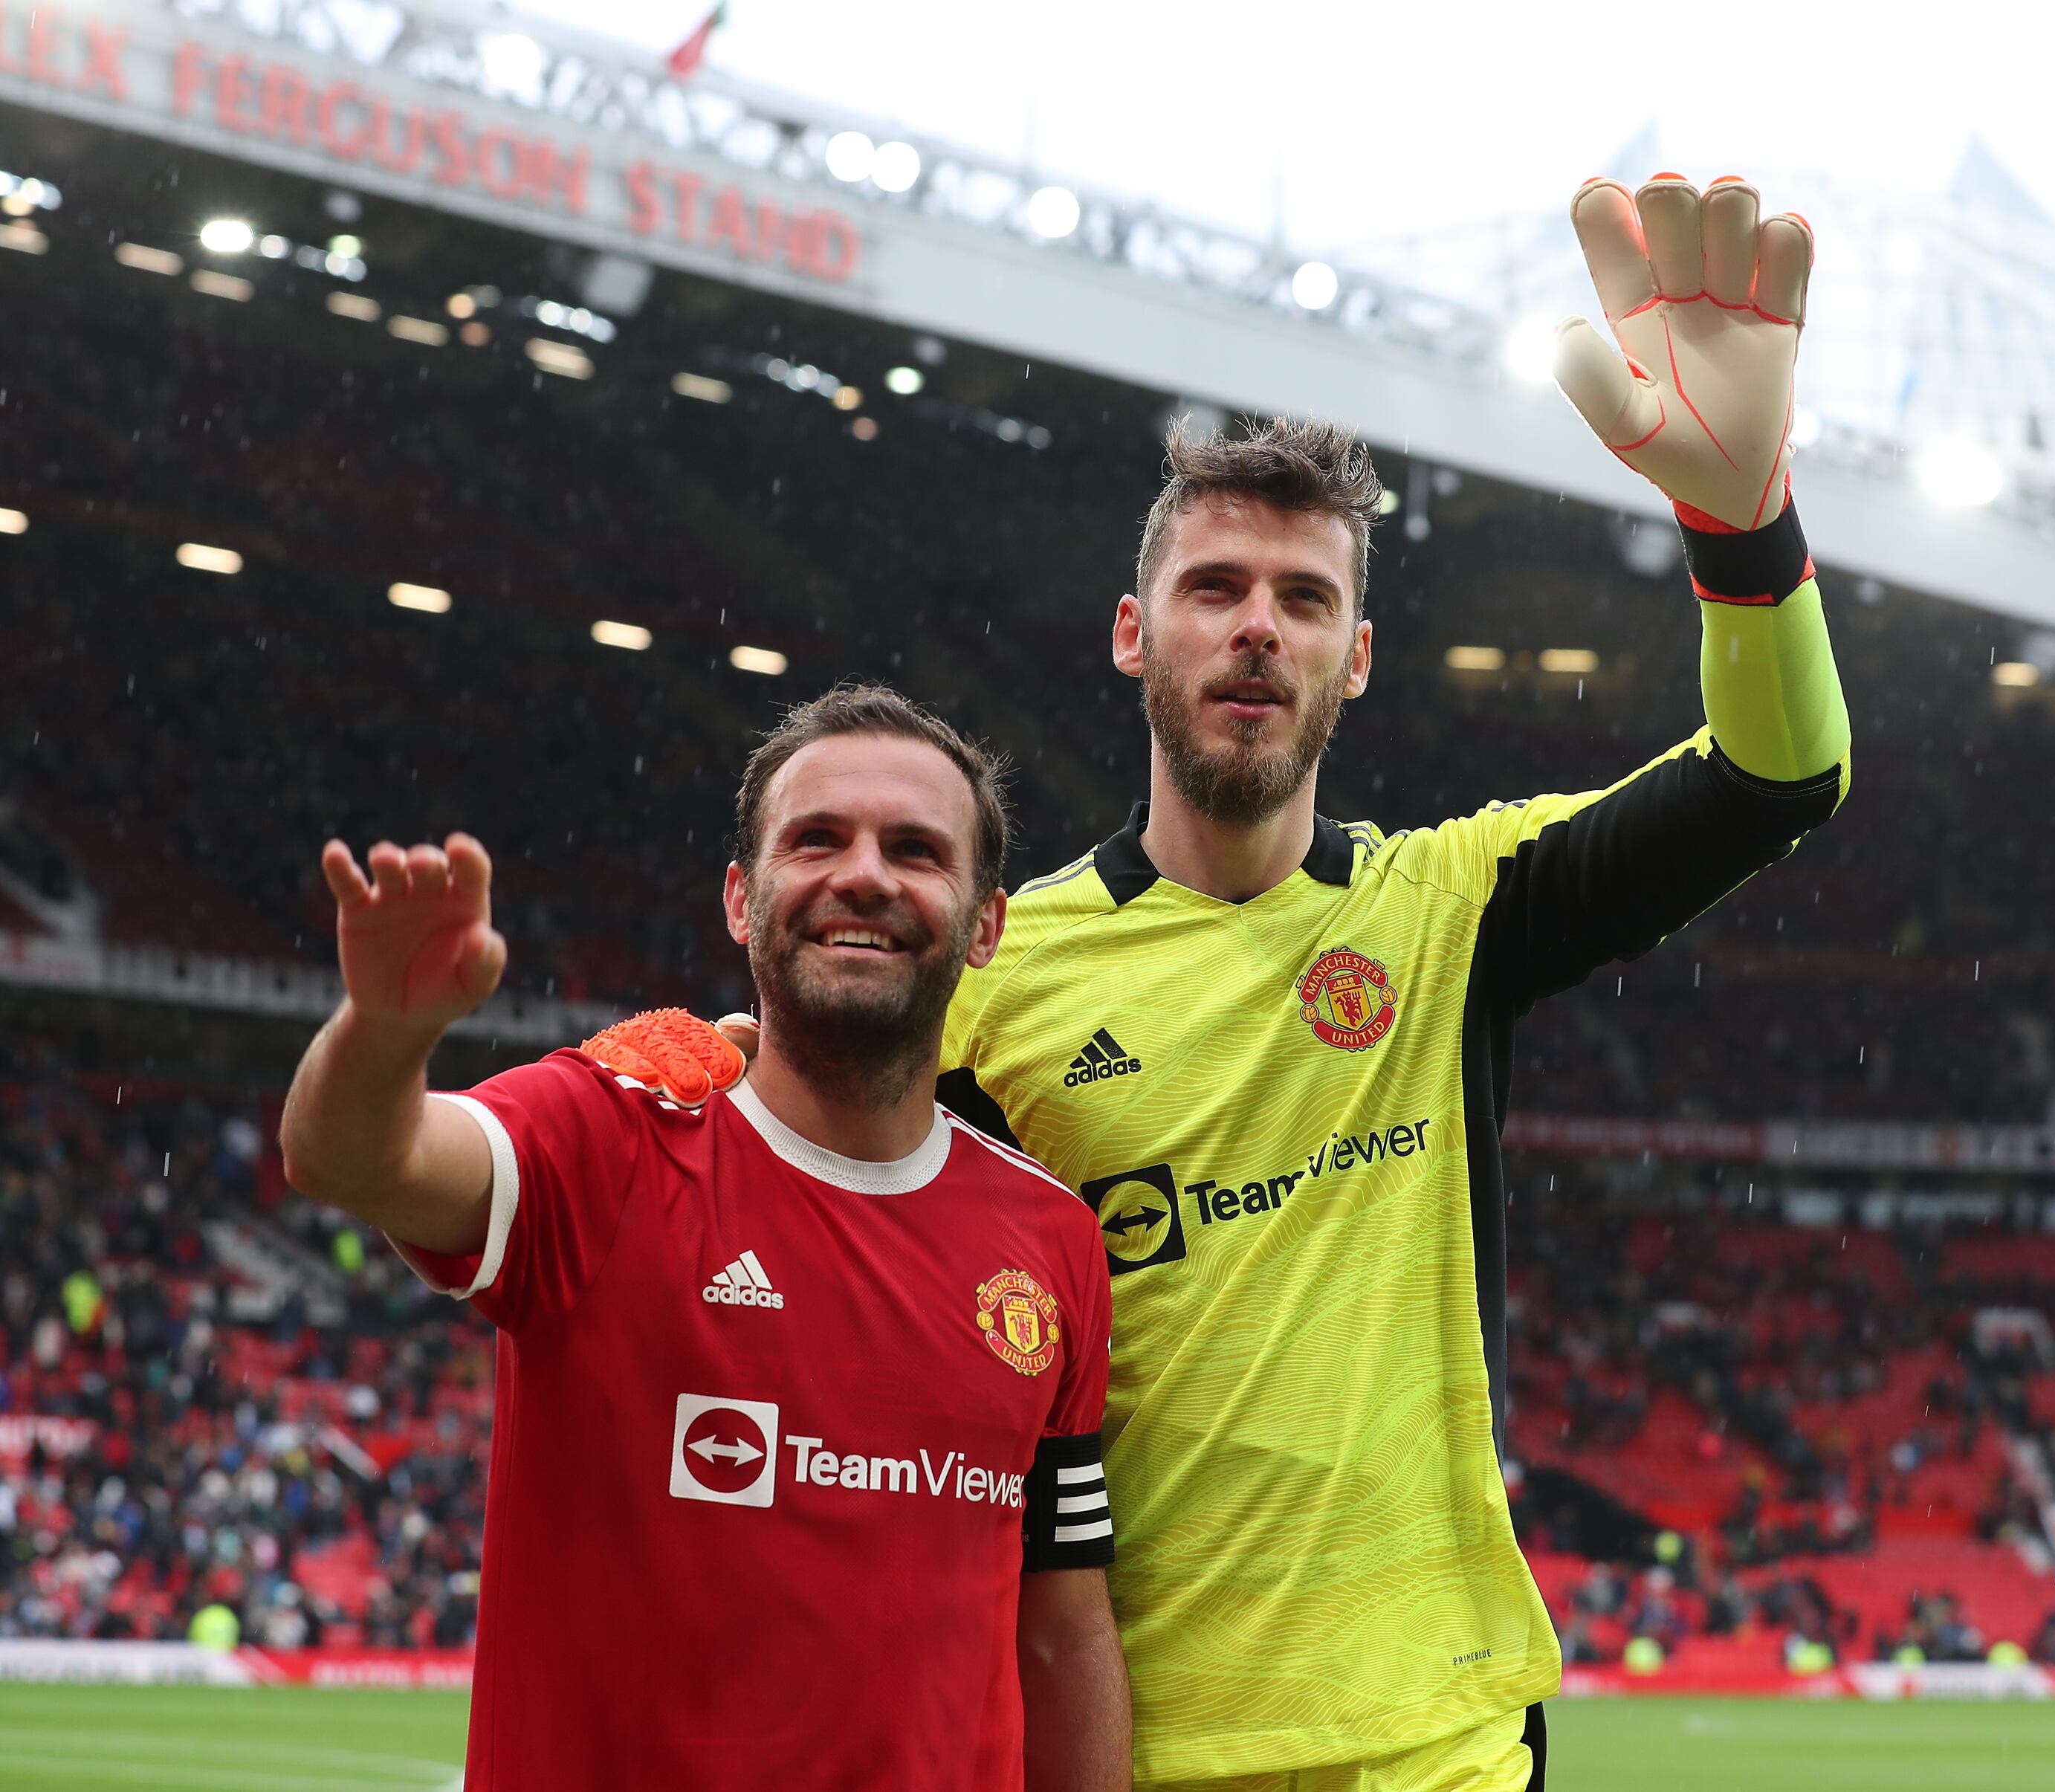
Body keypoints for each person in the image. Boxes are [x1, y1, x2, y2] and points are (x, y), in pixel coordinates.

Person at [594, 174, 1850, 1791]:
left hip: (1439, 1745)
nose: (1259, 629)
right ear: (1136, 633)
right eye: (1217, 590)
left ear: (1358, 656)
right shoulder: (992, 970)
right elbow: (794, 1205)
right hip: (1132, 1749)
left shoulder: (1452, 906)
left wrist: (1744, 531)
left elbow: (1779, 778)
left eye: (1305, 600)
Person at [279, 687, 1130, 1791]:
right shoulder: (606, 1136)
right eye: (816, 839)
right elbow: (352, 1158)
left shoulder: (1052, 1242)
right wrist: (382, 1036)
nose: (863, 875)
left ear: (986, 924)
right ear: (741, 897)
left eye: (915, 850)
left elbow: (1062, 1632)